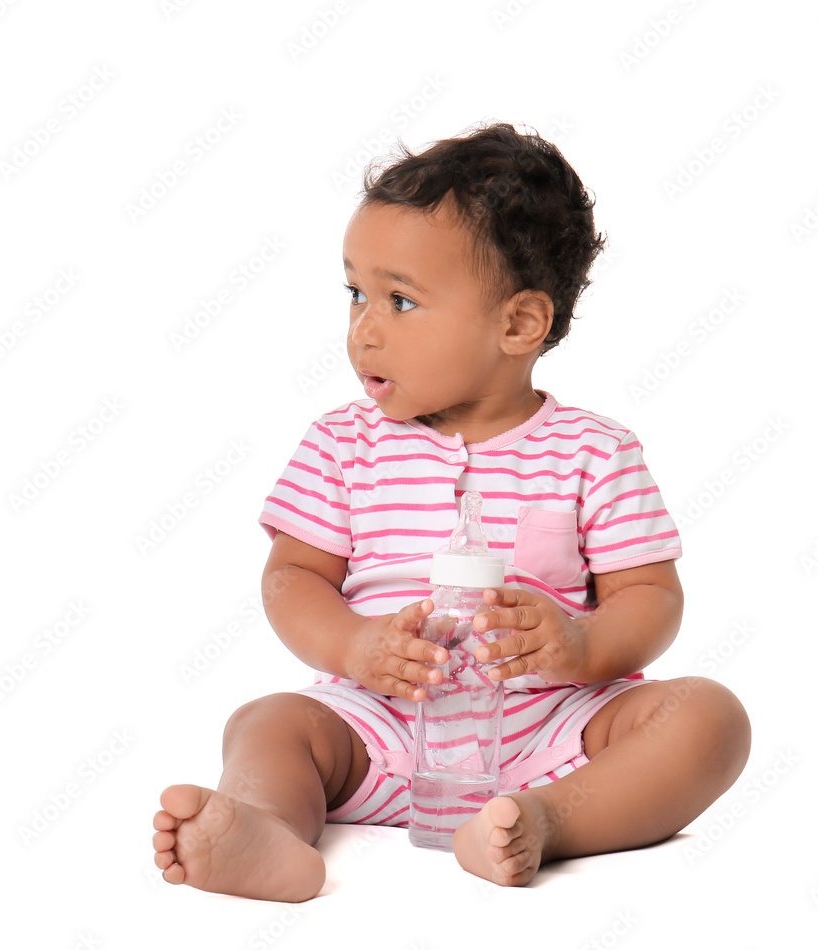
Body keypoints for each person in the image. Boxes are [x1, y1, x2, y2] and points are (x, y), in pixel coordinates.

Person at [151, 121, 751, 901]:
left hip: (556, 728)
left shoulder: (593, 450)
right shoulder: (343, 444)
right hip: (381, 728)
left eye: (400, 301)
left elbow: (652, 596)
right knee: (267, 722)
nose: (364, 329)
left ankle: (543, 820)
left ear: (518, 324)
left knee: (710, 718)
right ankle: (261, 825)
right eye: (356, 294)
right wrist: (356, 644)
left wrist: (582, 645)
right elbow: (291, 578)